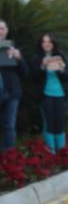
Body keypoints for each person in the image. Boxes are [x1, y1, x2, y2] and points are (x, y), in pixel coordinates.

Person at [35, 34, 68, 151]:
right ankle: (51, 152)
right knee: (49, 123)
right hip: (45, 94)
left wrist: (61, 69)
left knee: (60, 123)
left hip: (60, 94)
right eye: (44, 42)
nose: (47, 44)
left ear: (53, 44)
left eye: (49, 41)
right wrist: (43, 65)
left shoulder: (60, 56)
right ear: (41, 44)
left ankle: (62, 152)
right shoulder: (37, 57)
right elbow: (33, 77)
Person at [0, 19, 27, 151]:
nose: (0, 31)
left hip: (12, 93)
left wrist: (18, 58)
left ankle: (9, 158)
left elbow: (25, 73)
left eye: (2, 28)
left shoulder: (14, 48)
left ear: (7, 30)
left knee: (9, 125)